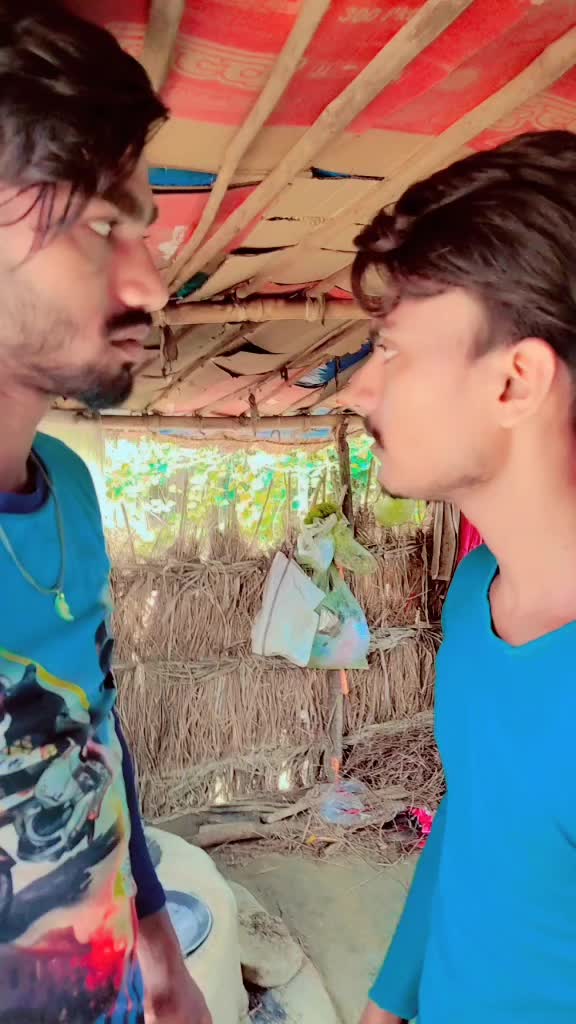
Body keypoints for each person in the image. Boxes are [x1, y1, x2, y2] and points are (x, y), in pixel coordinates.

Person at [0, 2, 211, 1021]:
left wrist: (159, 945)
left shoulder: (70, 493)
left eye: (145, 230)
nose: (154, 284)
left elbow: (95, 728)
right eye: (100, 224)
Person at [348, 129, 576, 1024]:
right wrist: (390, 1000)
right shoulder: (478, 598)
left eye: (391, 350)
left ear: (516, 381)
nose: (358, 390)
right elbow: (474, 819)